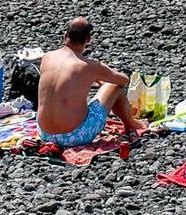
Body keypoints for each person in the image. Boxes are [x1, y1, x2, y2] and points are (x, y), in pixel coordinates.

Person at [36, 18, 144, 147]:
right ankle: (130, 124)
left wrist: (94, 78)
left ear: (65, 36)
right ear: (88, 40)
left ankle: (130, 123)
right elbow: (124, 80)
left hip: (45, 134)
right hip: (76, 136)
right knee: (114, 86)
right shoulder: (90, 66)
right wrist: (99, 77)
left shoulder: (47, 57)